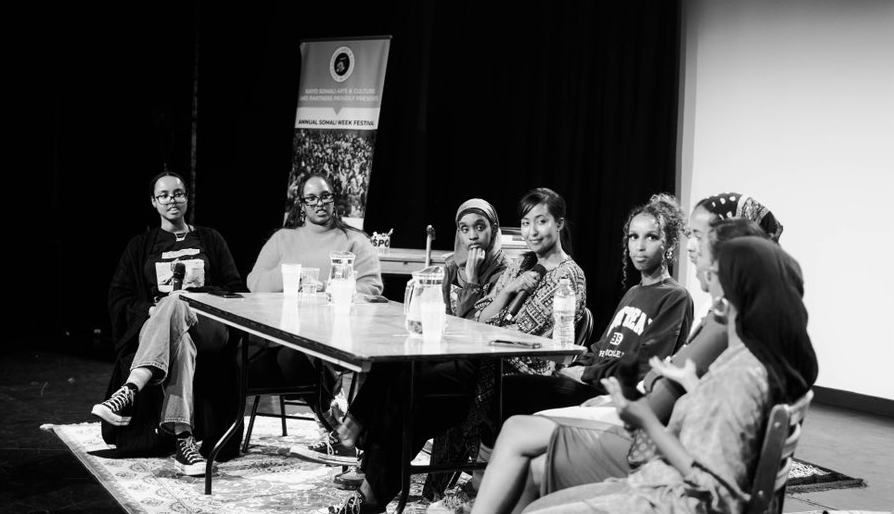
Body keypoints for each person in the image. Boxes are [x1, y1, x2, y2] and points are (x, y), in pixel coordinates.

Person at [488, 237, 819, 514]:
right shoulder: (751, 360)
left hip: (672, 497)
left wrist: (644, 420)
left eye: (716, 273)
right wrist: (693, 386)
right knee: (538, 498)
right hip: (663, 483)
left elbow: (717, 494)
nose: (707, 276)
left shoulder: (740, 375)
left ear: (734, 294)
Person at [428, 193, 693, 514]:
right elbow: (604, 347)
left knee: (502, 390)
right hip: (589, 378)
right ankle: (474, 487)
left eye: (650, 237)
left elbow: (646, 364)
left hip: (609, 394)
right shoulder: (634, 292)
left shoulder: (675, 296)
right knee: (478, 386)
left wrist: (584, 371)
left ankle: (476, 488)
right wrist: (580, 363)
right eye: (633, 237)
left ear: (669, 245)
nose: (639, 246)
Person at [327, 188, 586, 514]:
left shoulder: (568, 276)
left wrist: (492, 312)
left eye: (542, 221)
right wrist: (506, 291)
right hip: (475, 359)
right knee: (399, 373)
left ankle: (360, 452)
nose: (532, 231)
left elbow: (512, 331)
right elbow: (480, 316)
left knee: (405, 384)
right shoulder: (522, 263)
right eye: (525, 223)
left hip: (506, 371)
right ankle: (368, 489)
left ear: (559, 223)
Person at [95, 171, 245, 475]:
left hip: (209, 325)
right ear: (153, 202)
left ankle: (130, 388)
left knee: (177, 300)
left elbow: (234, 288)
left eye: (177, 193)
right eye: (163, 195)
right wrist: (153, 310)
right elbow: (120, 296)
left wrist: (195, 297)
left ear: (186, 198)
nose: (171, 200)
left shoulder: (210, 238)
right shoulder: (141, 245)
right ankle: (184, 441)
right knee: (181, 343)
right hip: (164, 328)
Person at [245, 173, 383, 466]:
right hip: (280, 335)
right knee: (246, 361)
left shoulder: (354, 241)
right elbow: (254, 282)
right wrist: (289, 274)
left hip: (331, 335)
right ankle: (338, 422)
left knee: (292, 356)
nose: (319, 203)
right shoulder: (284, 239)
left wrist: (329, 288)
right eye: (311, 198)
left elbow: (371, 289)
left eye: (325, 196)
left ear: (334, 200)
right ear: (302, 205)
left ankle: (338, 429)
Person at [443, 199, 513, 319]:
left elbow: (474, 322)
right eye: (465, 229)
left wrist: (472, 279)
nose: (472, 236)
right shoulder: (452, 268)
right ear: (459, 233)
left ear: (493, 229)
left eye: (480, 228)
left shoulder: (507, 272)